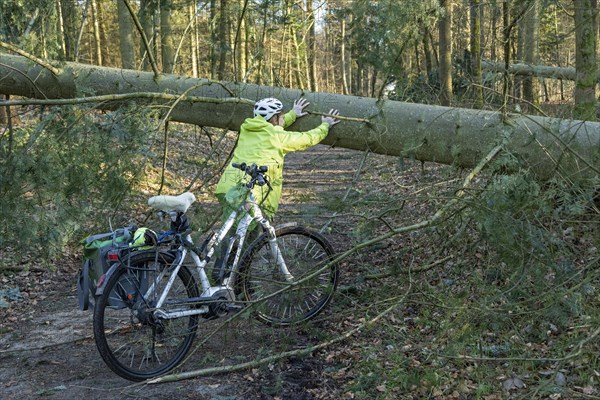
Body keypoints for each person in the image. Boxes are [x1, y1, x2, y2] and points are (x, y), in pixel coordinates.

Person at [215, 97, 340, 221]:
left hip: (227, 188)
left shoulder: (247, 130)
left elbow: (270, 126)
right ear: (275, 118)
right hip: (251, 193)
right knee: (254, 236)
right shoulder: (277, 137)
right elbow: (307, 138)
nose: (283, 117)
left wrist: (293, 114)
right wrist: (325, 125)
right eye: (281, 115)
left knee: (232, 233)